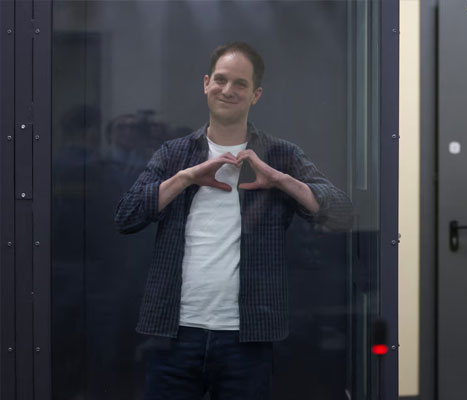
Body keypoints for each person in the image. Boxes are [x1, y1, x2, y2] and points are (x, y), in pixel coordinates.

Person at [114, 41, 352, 400]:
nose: (228, 90)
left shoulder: (280, 155)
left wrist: (282, 181)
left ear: (255, 94)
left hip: (247, 337)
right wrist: (185, 178)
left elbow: (343, 214)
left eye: (240, 84)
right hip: (174, 332)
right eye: (221, 80)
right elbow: (126, 216)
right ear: (206, 83)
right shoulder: (174, 153)